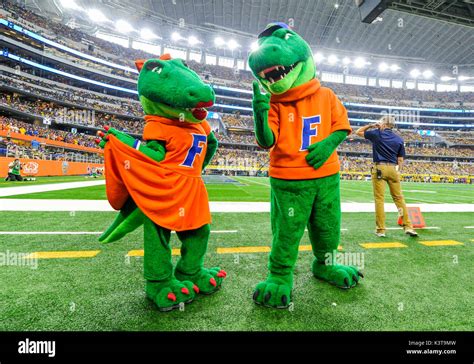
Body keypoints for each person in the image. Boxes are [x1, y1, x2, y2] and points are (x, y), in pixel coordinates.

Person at [356, 116, 418, 237]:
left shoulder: (377, 133)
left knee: (379, 199)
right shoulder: (399, 139)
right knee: (399, 199)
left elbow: (358, 132)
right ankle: (408, 226)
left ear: (383, 123)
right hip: (394, 169)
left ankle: (381, 230)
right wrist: (397, 171)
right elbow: (400, 159)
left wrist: (371, 125)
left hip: (380, 168)